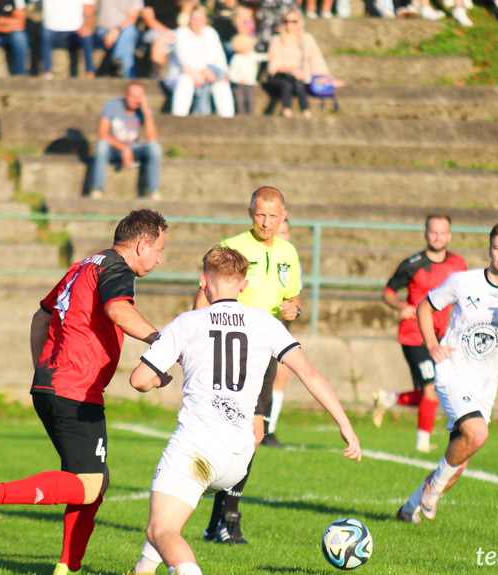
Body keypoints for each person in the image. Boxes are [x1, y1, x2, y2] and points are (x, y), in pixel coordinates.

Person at [125, 246, 361, 575]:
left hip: (198, 448)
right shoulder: (265, 322)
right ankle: (142, 570)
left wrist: (158, 381)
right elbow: (308, 373)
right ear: (244, 285)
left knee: (161, 530)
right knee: (168, 512)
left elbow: (138, 380)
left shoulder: (188, 322)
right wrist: (345, 424)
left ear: (203, 281)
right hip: (239, 456)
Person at [0, 209, 169, 575]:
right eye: (159, 250)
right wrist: (161, 342)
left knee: (92, 479)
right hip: (76, 389)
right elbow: (118, 310)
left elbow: (41, 317)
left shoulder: (83, 266)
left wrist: (42, 370)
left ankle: (66, 566)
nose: (159, 259)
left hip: (53, 383)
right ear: (142, 244)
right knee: (89, 484)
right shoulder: (116, 269)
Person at [396, 220, 498, 523]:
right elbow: (425, 307)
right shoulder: (464, 282)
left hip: (485, 386)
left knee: (459, 462)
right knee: (477, 433)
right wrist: (433, 344)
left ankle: (409, 509)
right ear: (489, 249)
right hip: (451, 372)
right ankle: (432, 492)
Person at [195, 186, 301, 544]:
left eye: (273, 216)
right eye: (260, 215)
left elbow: (293, 297)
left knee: (252, 434)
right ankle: (226, 519)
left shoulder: (288, 252)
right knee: (240, 433)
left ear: (284, 216)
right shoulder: (232, 247)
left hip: (265, 352)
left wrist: (295, 308)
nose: (267, 222)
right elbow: (205, 290)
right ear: (249, 212)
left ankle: (219, 522)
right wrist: (195, 334)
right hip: (232, 349)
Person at [373, 214, 467, 453]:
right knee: (431, 389)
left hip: (443, 336)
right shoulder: (411, 264)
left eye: (442, 232)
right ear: (425, 234)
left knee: (438, 389)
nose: (438, 237)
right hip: (414, 335)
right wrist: (400, 306)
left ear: (450, 235)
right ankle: (422, 443)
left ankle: (390, 399)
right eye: (433, 232)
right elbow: (388, 292)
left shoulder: (459, 265)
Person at [262, 217, 301, 447]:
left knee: (282, 374)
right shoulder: (261, 255)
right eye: (279, 233)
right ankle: (264, 428)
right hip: (259, 329)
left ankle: (269, 429)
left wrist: (294, 310)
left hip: (279, 328)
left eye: (285, 233)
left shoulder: (290, 258)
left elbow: (296, 299)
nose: (282, 237)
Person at [90, 82, 162, 200]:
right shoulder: (111, 105)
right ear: (125, 95)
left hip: (135, 148)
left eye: (139, 97)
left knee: (155, 147)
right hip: (113, 148)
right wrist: (124, 149)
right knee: (101, 145)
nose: (136, 100)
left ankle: (154, 191)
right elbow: (102, 134)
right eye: (133, 96)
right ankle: (97, 189)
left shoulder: (145, 110)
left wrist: (146, 113)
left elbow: (152, 138)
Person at [266, 9, 338, 118]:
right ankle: (287, 111)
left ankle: (306, 112)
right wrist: (291, 70)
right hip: (281, 76)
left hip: (300, 78)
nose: (290, 24)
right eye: (286, 21)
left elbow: (317, 59)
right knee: (287, 83)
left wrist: (329, 78)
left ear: (299, 22)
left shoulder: (307, 39)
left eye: (294, 21)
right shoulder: (277, 39)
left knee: (298, 82)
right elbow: (273, 67)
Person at [166, 5, 235, 118]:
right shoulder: (181, 32)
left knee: (222, 82)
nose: (195, 22)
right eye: (193, 18)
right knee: (186, 81)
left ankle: (228, 118)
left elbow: (220, 57)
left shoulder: (211, 33)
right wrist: (202, 71)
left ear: (205, 20)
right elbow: (183, 59)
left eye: (199, 19)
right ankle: (178, 117)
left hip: (209, 73)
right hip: (181, 74)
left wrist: (222, 73)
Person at [40, 0, 96, 80]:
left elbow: (89, 13)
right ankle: (47, 72)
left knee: (87, 37)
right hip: (52, 30)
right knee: (46, 35)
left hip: (76, 31)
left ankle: (90, 73)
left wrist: (86, 26)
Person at [94, 0, 143, 78]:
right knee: (127, 41)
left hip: (123, 31)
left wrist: (116, 31)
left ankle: (117, 60)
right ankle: (128, 77)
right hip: (103, 31)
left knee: (129, 31)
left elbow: (132, 19)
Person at [140, 0, 180, 79]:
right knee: (160, 40)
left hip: (175, 32)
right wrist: (167, 32)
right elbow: (148, 19)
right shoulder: (149, 2)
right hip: (155, 31)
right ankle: (157, 75)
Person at [229, 35, 265, 116]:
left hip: (250, 83)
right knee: (240, 101)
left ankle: (250, 116)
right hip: (239, 85)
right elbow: (232, 74)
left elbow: (261, 56)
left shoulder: (252, 55)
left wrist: (269, 56)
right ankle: (241, 116)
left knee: (250, 100)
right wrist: (238, 79)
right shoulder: (236, 58)